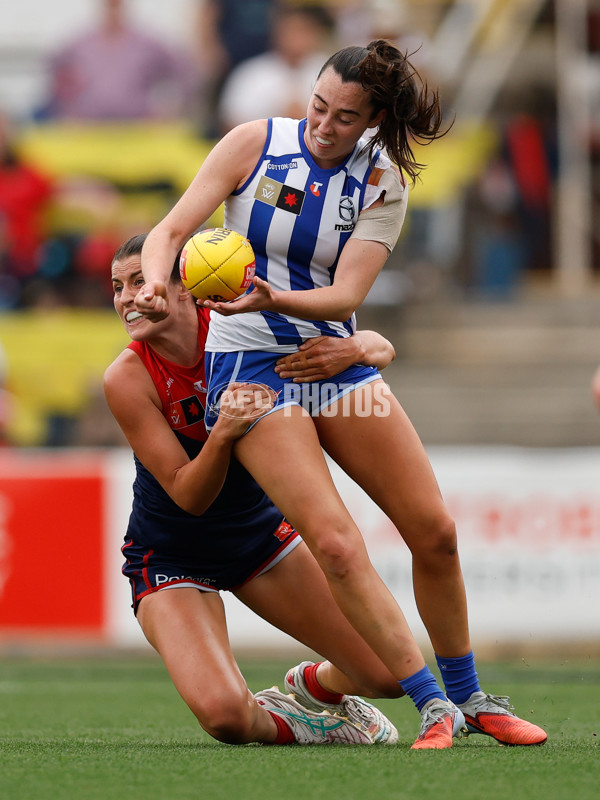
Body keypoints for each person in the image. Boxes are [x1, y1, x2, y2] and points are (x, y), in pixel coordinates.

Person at [135, 40, 547, 748]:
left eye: (345, 117)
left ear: (375, 120)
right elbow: (172, 230)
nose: (323, 125)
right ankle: (432, 706)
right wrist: (150, 276)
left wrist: (285, 302)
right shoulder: (254, 143)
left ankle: (471, 696)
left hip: (332, 362)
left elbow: (348, 293)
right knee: (334, 543)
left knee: (436, 533)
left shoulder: (384, 179)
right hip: (253, 371)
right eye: (319, 107)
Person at [105, 232, 410, 747]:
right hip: (170, 557)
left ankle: (311, 687)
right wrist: (223, 432)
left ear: (187, 288)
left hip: (260, 539)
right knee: (227, 718)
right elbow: (189, 495)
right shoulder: (127, 377)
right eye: (116, 287)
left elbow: (382, 347)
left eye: (141, 280)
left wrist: (358, 346)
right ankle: (306, 724)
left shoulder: (245, 332)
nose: (127, 297)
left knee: (391, 675)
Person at [42, 0, 197, 121]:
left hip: (137, 130)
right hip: (89, 131)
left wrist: (173, 108)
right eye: (109, 5)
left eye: (116, 5)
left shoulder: (147, 43)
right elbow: (53, 72)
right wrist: (66, 110)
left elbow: (183, 69)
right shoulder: (79, 43)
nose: (113, 11)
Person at [217, 4, 335, 133]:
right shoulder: (250, 72)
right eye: (290, 30)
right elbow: (230, 124)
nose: (296, 38)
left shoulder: (332, 71)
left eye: (303, 30)